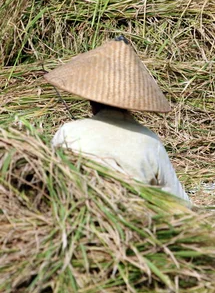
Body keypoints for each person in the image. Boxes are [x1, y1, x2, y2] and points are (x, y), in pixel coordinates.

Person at [45, 36, 190, 205]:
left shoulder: (69, 132)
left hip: (73, 214)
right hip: (131, 223)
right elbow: (181, 203)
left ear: (91, 99)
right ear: (133, 100)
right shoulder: (149, 142)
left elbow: (48, 179)